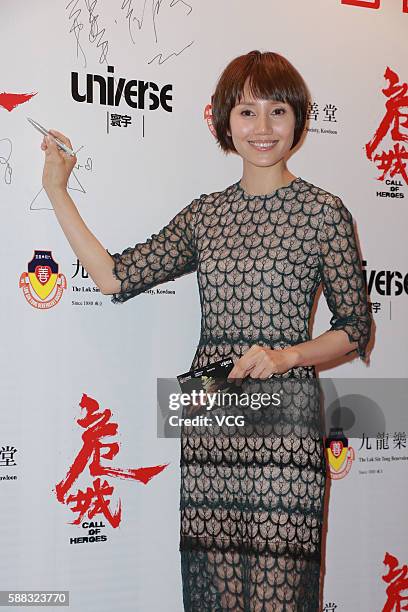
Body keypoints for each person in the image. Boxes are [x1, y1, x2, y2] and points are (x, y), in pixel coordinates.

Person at [41, 50, 372, 611]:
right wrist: (57, 188)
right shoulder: (206, 215)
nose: (262, 128)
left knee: (278, 594)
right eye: (246, 112)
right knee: (214, 594)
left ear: (298, 119)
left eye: (276, 112)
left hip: (284, 426)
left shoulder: (324, 213)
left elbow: (355, 327)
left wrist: (288, 356)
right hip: (211, 415)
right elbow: (114, 277)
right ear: (224, 120)